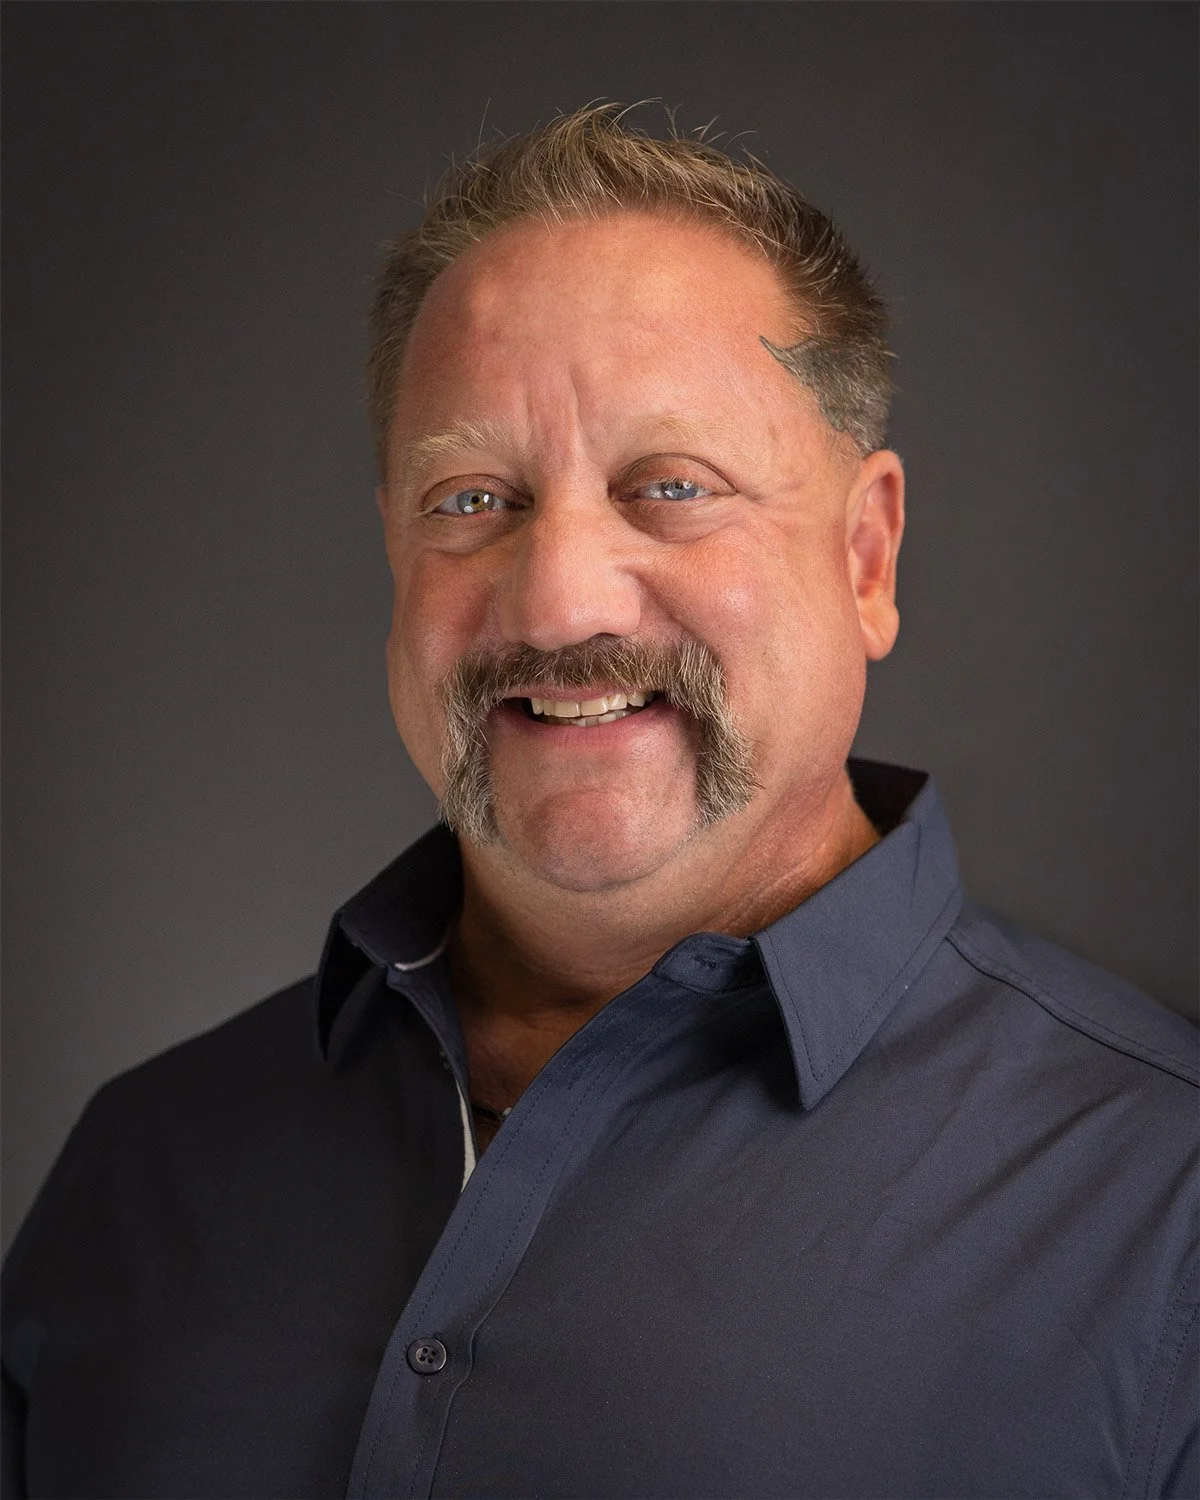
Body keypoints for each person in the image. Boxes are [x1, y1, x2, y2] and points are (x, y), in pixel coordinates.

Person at [2, 104, 1196, 1500]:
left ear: (866, 556)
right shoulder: (144, 1168)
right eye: (471, 500)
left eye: (671, 485)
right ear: (393, 551)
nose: (560, 599)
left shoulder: (1161, 1212)